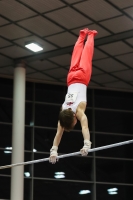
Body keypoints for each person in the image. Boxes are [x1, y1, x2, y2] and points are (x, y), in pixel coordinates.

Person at [49, 28, 98, 164]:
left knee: (86, 55)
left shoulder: (79, 110)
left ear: (74, 119)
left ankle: (91, 35)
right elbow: (58, 133)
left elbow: (85, 128)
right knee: (76, 55)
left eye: (74, 123)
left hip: (82, 78)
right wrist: (53, 150)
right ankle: (82, 35)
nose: (76, 123)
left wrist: (87, 144)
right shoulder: (63, 112)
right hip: (70, 78)